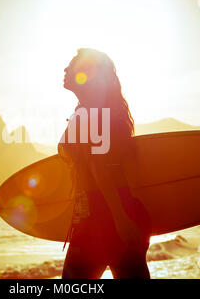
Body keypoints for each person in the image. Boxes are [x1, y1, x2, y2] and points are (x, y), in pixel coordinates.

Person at [58, 48, 152, 279]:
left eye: (72, 65)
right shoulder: (93, 112)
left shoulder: (93, 113)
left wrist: (121, 221)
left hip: (102, 220)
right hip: (104, 215)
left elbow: (99, 168)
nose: (65, 69)